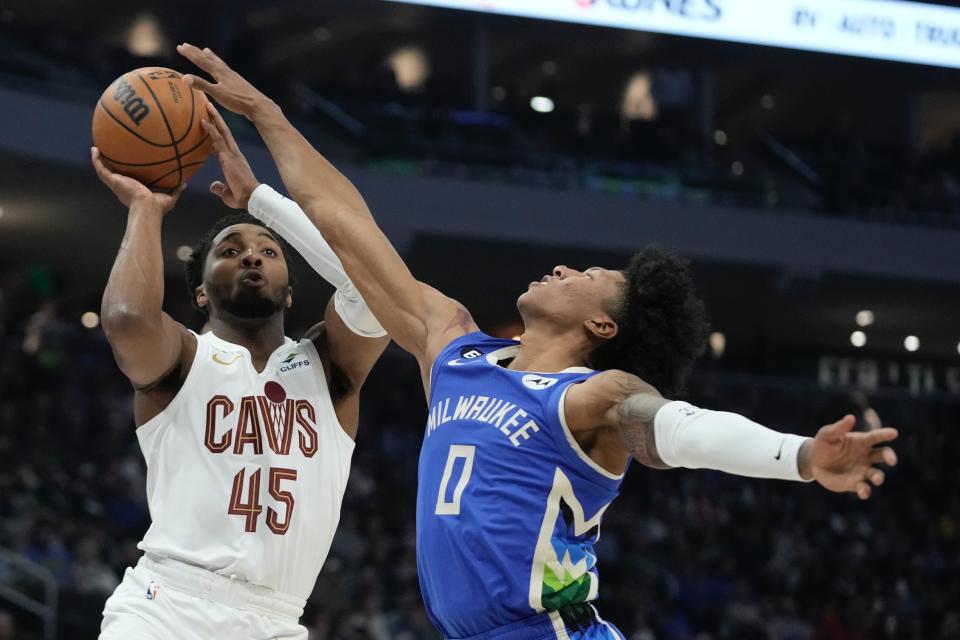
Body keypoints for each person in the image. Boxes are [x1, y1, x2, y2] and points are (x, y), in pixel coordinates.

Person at [177, 43, 900, 640]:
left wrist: (800, 457)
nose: (563, 267)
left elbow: (681, 433)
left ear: (602, 328)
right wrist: (267, 136)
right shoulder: (453, 349)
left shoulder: (593, 397)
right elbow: (351, 233)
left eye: (587, 273)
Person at [90, 122, 390, 638]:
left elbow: (377, 284)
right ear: (202, 292)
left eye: (269, 252)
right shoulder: (185, 357)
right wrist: (145, 208)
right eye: (229, 251)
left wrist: (260, 202)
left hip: (277, 618)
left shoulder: (330, 367)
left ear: (291, 293)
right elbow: (127, 320)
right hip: (167, 607)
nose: (251, 255)